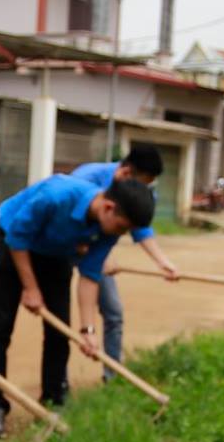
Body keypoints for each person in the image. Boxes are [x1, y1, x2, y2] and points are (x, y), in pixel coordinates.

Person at [0, 171, 155, 440]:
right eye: (121, 227)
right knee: (0, 328)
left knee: (60, 333)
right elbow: (17, 238)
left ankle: (53, 401)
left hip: (57, 255)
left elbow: (90, 275)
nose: (121, 233)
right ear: (108, 207)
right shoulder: (56, 196)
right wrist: (31, 288)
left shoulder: (110, 228)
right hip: (13, 241)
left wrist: (88, 331)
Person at [70, 143, 179, 378]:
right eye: (144, 182)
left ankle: (113, 375)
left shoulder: (144, 193)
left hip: (96, 255)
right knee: (56, 312)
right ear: (127, 172)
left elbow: (141, 230)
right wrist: (95, 254)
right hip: (63, 248)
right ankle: (57, 386)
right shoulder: (86, 178)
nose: (145, 190)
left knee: (113, 313)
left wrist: (162, 262)